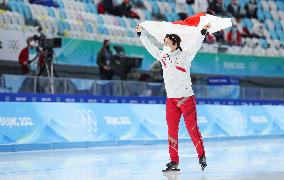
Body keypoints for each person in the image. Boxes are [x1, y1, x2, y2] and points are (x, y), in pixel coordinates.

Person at [136, 19, 209, 172]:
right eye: (164, 42)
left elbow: (195, 45)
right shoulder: (163, 57)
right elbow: (151, 47)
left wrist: (202, 33)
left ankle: (201, 155)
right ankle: (173, 161)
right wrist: (141, 34)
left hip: (186, 99)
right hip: (171, 100)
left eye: (167, 43)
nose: (164, 45)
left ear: (175, 44)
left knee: (192, 129)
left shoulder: (185, 56)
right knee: (171, 132)